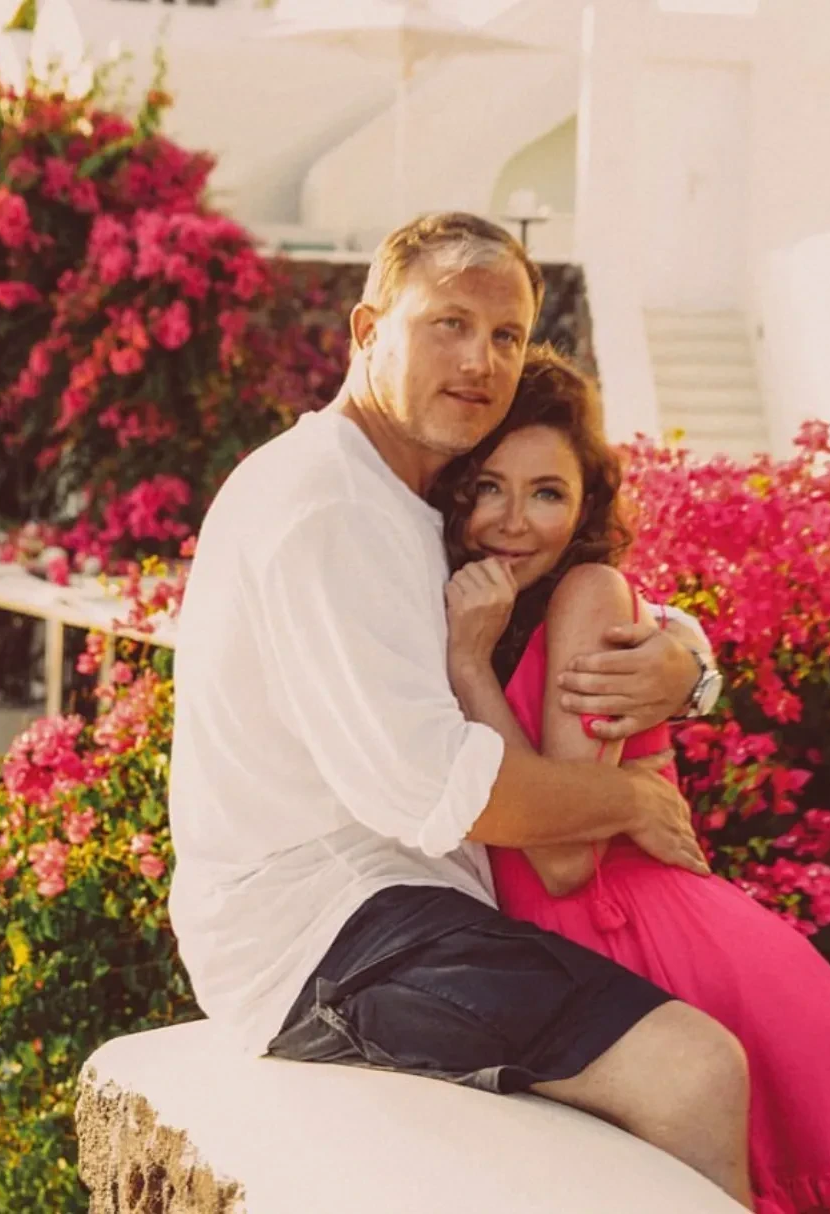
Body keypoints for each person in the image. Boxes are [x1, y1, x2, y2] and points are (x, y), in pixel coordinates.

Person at [169, 212, 755, 1205]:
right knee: (693, 1071)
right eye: (449, 324)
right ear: (367, 332)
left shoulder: (416, 493)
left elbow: (581, 585)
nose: (481, 360)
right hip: (328, 939)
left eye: (506, 334)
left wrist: (689, 664)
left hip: (387, 917)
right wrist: (629, 801)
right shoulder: (330, 507)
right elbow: (441, 789)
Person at [431, 345, 830, 1214]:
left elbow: (562, 858)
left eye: (547, 492)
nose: (514, 521)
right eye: (489, 487)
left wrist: (471, 665)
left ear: (585, 506)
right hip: (602, 962)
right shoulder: (495, 608)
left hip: (661, 949)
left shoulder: (586, 592)